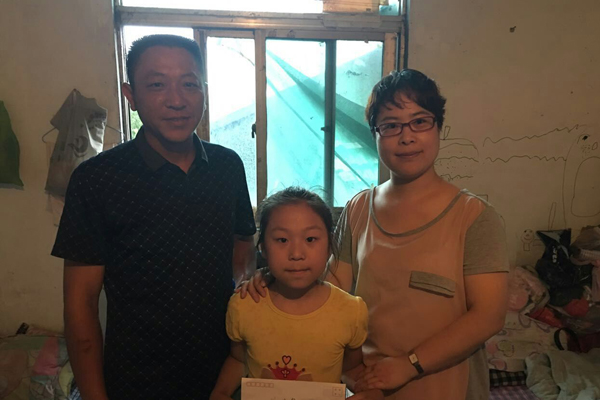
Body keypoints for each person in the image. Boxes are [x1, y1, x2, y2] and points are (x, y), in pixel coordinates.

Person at [241, 69, 509, 400]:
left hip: (446, 388)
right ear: (375, 135)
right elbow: (329, 291)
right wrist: (272, 282)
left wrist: (410, 364)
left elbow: (488, 316)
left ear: (439, 127)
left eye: (420, 122)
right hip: (367, 385)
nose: (406, 137)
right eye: (391, 125)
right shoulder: (358, 209)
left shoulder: (474, 217)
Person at [52, 34, 256, 400]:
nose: (177, 100)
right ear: (131, 96)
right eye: (157, 85)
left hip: (225, 375)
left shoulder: (227, 166)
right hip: (137, 380)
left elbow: (243, 239)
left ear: (204, 91)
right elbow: (81, 305)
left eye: (189, 84)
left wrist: (242, 283)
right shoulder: (97, 179)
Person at [210, 187, 382, 400]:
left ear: (330, 246)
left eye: (310, 239)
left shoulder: (350, 311)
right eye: (282, 240)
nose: (296, 254)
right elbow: (238, 360)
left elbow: (351, 369)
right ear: (263, 248)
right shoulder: (244, 305)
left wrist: (369, 391)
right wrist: (221, 392)